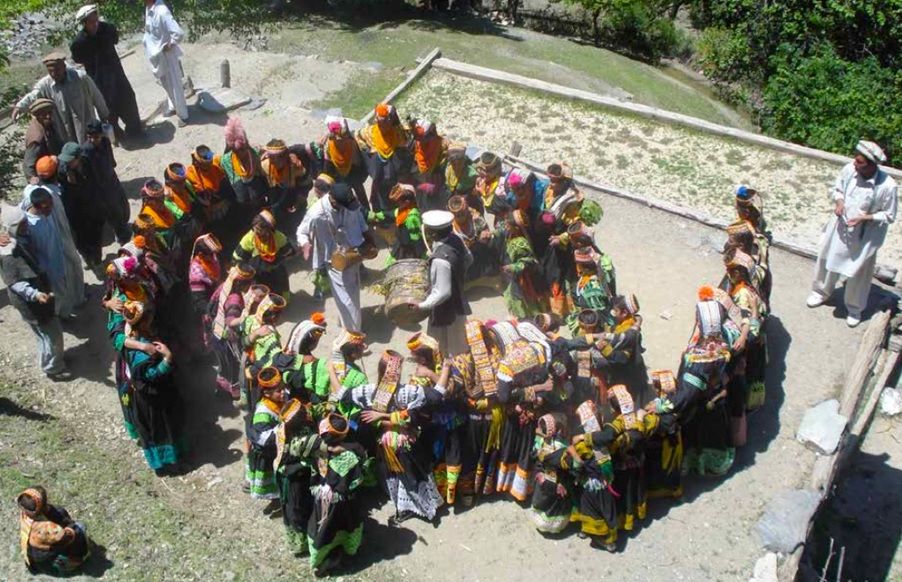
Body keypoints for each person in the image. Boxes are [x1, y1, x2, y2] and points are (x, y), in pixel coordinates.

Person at [807, 140, 898, 327]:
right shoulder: (850, 170)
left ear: (872, 165)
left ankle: (854, 307)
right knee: (827, 257)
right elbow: (839, 188)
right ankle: (821, 292)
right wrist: (839, 202)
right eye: (855, 160)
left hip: (865, 236)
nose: (855, 164)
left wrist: (866, 218)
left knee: (859, 271)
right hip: (840, 227)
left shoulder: (888, 186)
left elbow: (889, 215)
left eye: (860, 163)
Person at [0, 206, 67, 380]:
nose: (26, 225)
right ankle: (53, 368)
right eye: (22, 224)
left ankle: (49, 361)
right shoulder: (8, 254)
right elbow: (15, 283)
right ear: (12, 227)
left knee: (44, 334)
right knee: (53, 334)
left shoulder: (19, 239)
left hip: (39, 294)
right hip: (31, 301)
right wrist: (35, 294)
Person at [298, 183, 374, 334]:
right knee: (347, 298)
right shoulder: (316, 213)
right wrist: (305, 244)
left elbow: (359, 219)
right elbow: (302, 231)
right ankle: (354, 335)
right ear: (334, 201)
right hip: (335, 260)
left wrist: (369, 239)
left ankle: (346, 322)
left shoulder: (350, 202)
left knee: (352, 291)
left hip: (355, 253)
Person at [121, 300, 184, 476]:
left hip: (146, 396)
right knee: (160, 430)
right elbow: (151, 376)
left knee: (157, 429)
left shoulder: (129, 337)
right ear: (143, 322)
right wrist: (168, 358)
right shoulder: (141, 353)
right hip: (151, 400)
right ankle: (167, 464)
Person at [70, 4, 143, 139]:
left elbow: (115, 39)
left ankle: (135, 130)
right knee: (107, 108)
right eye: (91, 22)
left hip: (116, 74)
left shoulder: (107, 29)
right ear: (84, 23)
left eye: (96, 20)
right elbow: (77, 58)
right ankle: (116, 134)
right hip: (99, 79)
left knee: (128, 99)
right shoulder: (79, 43)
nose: (95, 24)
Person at [19, 179, 85, 320]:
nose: (50, 210)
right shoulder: (28, 225)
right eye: (47, 207)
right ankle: (57, 318)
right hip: (49, 269)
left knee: (65, 291)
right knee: (58, 295)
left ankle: (64, 314)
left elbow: (30, 190)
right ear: (36, 207)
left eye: (51, 205)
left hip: (59, 260)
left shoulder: (44, 212)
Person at [12, 52, 109, 145]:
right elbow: (34, 95)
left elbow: (97, 96)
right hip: (65, 130)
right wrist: (19, 107)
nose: (54, 74)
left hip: (86, 126)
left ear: (64, 67)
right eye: (51, 71)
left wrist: (104, 115)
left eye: (57, 70)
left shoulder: (80, 78)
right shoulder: (46, 84)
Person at [414, 210, 473, 357]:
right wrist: (458, 275)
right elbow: (469, 258)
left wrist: (421, 305)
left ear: (432, 234)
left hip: (446, 309)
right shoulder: (456, 238)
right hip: (458, 298)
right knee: (459, 338)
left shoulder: (440, 260)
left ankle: (450, 372)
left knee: (446, 346)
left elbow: (442, 292)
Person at [207, 262, 256, 399]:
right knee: (232, 366)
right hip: (225, 340)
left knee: (223, 367)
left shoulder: (225, 286)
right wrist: (246, 316)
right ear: (243, 284)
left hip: (216, 333)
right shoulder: (234, 299)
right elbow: (230, 321)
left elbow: (213, 308)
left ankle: (221, 390)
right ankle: (231, 393)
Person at [16, 486, 91, 575]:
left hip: (35, 565)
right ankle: (73, 565)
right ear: (43, 504)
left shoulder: (26, 519)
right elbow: (70, 535)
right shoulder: (51, 524)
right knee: (80, 527)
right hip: (53, 565)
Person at [357, 103, 411, 221]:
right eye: (380, 122)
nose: (383, 125)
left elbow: (407, 146)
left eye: (386, 121)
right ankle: (383, 218)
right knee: (380, 200)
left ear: (391, 120)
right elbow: (359, 138)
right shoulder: (369, 133)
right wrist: (370, 153)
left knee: (397, 197)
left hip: (395, 177)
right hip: (380, 178)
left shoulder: (399, 133)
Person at [57, 142, 105, 269]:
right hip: (76, 212)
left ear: (78, 158)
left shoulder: (87, 163)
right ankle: (88, 259)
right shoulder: (61, 172)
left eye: (71, 160)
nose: (67, 163)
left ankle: (97, 260)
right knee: (81, 241)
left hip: (92, 206)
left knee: (96, 235)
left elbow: (95, 180)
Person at [82, 121, 132, 243]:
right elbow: (87, 175)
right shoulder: (86, 152)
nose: (93, 140)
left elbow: (111, 160)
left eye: (96, 137)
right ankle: (122, 237)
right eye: (90, 137)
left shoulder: (105, 142)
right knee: (115, 213)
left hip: (112, 180)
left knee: (124, 206)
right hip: (101, 189)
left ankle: (123, 228)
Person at [143, 0, 189, 126]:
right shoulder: (148, 8)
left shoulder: (162, 11)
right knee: (165, 82)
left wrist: (171, 44)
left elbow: (178, 33)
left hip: (167, 55)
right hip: (157, 55)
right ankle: (173, 106)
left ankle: (183, 115)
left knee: (175, 84)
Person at [246, 366, 287, 506]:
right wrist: (284, 428)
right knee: (273, 480)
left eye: (283, 388)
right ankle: (275, 500)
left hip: (276, 449)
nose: (283, 393)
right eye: (279, 391)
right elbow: (263, 438)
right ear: (267, 393)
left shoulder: (278, 401)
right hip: (268, 453)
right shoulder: (263, 411)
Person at [233, 209, 293, 298]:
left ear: (269, 230)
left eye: (261, 230)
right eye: (255, 229)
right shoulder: (249, 238)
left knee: (280, 286)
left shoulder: (279, 238)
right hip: (257, 273)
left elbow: (289, 252)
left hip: (275, 270)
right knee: (259, 295)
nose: (257, 232)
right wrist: (247, 271)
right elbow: (238, 258)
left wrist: (277, 261)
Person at [261, 138, 309, 238]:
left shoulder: (295, 166)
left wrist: (300, 199)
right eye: (271, 157)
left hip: (292, 197)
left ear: (284, 156)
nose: (273, 161)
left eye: (277, 157)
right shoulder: (264, 166)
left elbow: (306, 183)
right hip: (274, 199)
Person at [321, 116, 369, 213]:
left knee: (360, 192)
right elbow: (328, 164)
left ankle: (367, 212)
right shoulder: (329, 146)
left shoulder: (351, 143)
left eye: (341, 137)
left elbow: (358, 160)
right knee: (346, 197)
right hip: (339, 176)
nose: (339, 139)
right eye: (335, 136)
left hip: (353, 172)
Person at [22, 99, 63, 182]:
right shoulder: (37, 138)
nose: (48, 116)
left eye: (50, 113)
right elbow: (28, 163)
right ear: (37, 115)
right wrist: (32, 179)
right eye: (44, 114)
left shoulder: (46, 123)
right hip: (46, 173)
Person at [387, 184, 426, 265]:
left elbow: (417, 240)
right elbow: (388, 215)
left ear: (407, 202)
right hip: (401, 245)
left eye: (399, 202)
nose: (397, 204)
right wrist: (371, 216)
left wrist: (421, 257)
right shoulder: (402, 210)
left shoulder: (412, 218)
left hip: (409, 251)